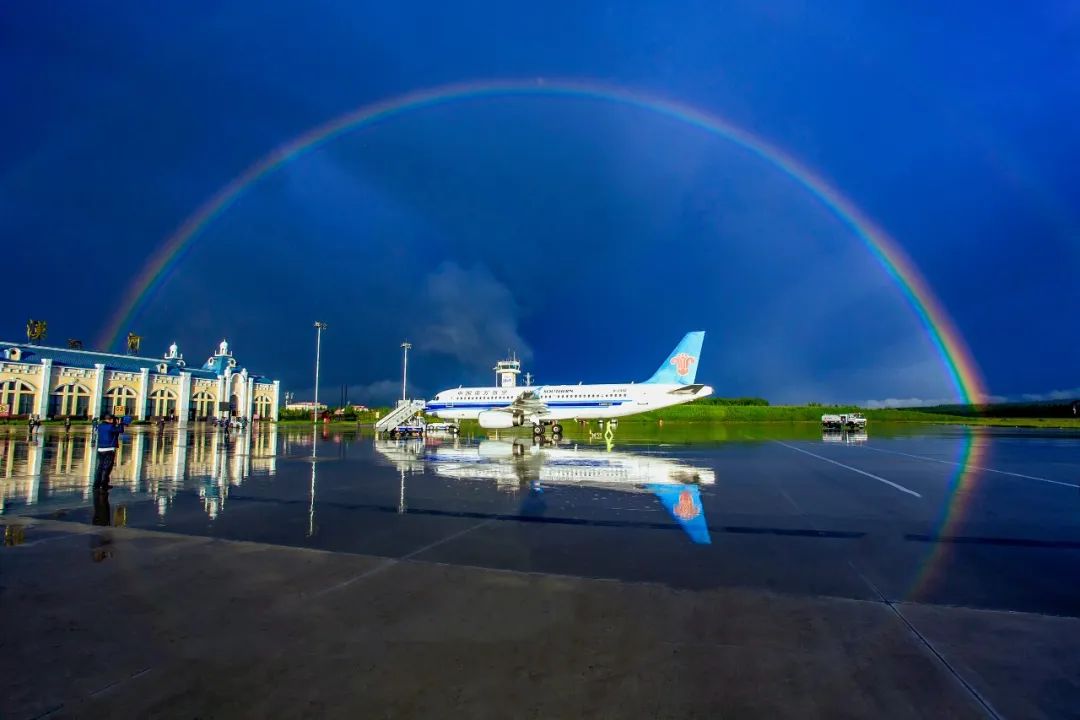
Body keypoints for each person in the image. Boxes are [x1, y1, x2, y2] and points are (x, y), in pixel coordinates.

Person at [94, 413, 124, 491]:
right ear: (110, 420)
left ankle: (97, 484)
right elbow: (121, 430)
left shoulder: (100, 426)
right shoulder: (111, 427)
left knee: (100, 467)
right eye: (113, 419)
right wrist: (120, 424)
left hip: (101, 449)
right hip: (109, 449)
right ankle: (103, 485)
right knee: (106, 468)